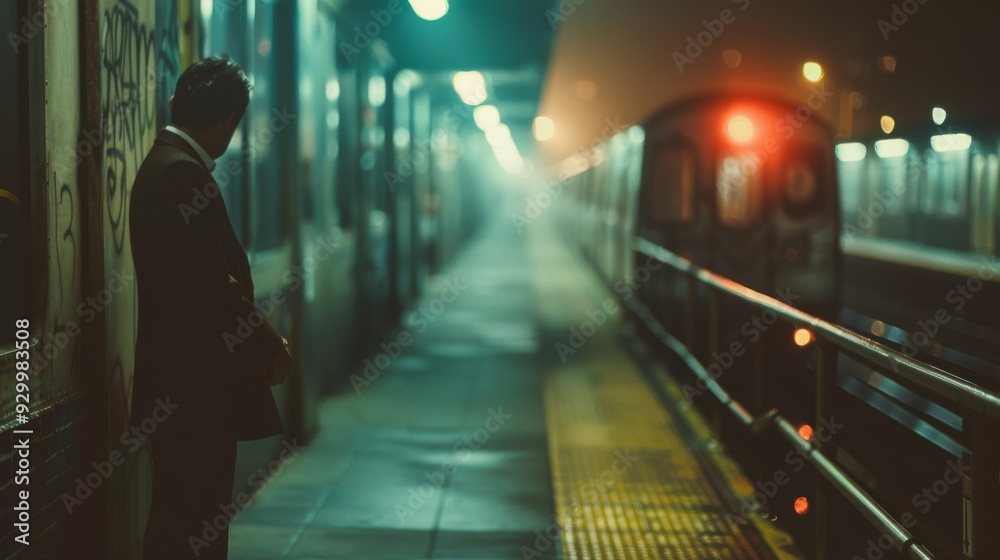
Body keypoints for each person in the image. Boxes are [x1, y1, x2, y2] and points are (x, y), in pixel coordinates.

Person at [129, 55, 292, 560]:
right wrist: (271, 343)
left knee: (178, 516)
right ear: (228, 122)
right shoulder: (185, 176)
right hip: (195, 391)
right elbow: (214, 291)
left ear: (178, 103)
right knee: (194, 522)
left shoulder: (163, 163)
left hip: (176, 388)